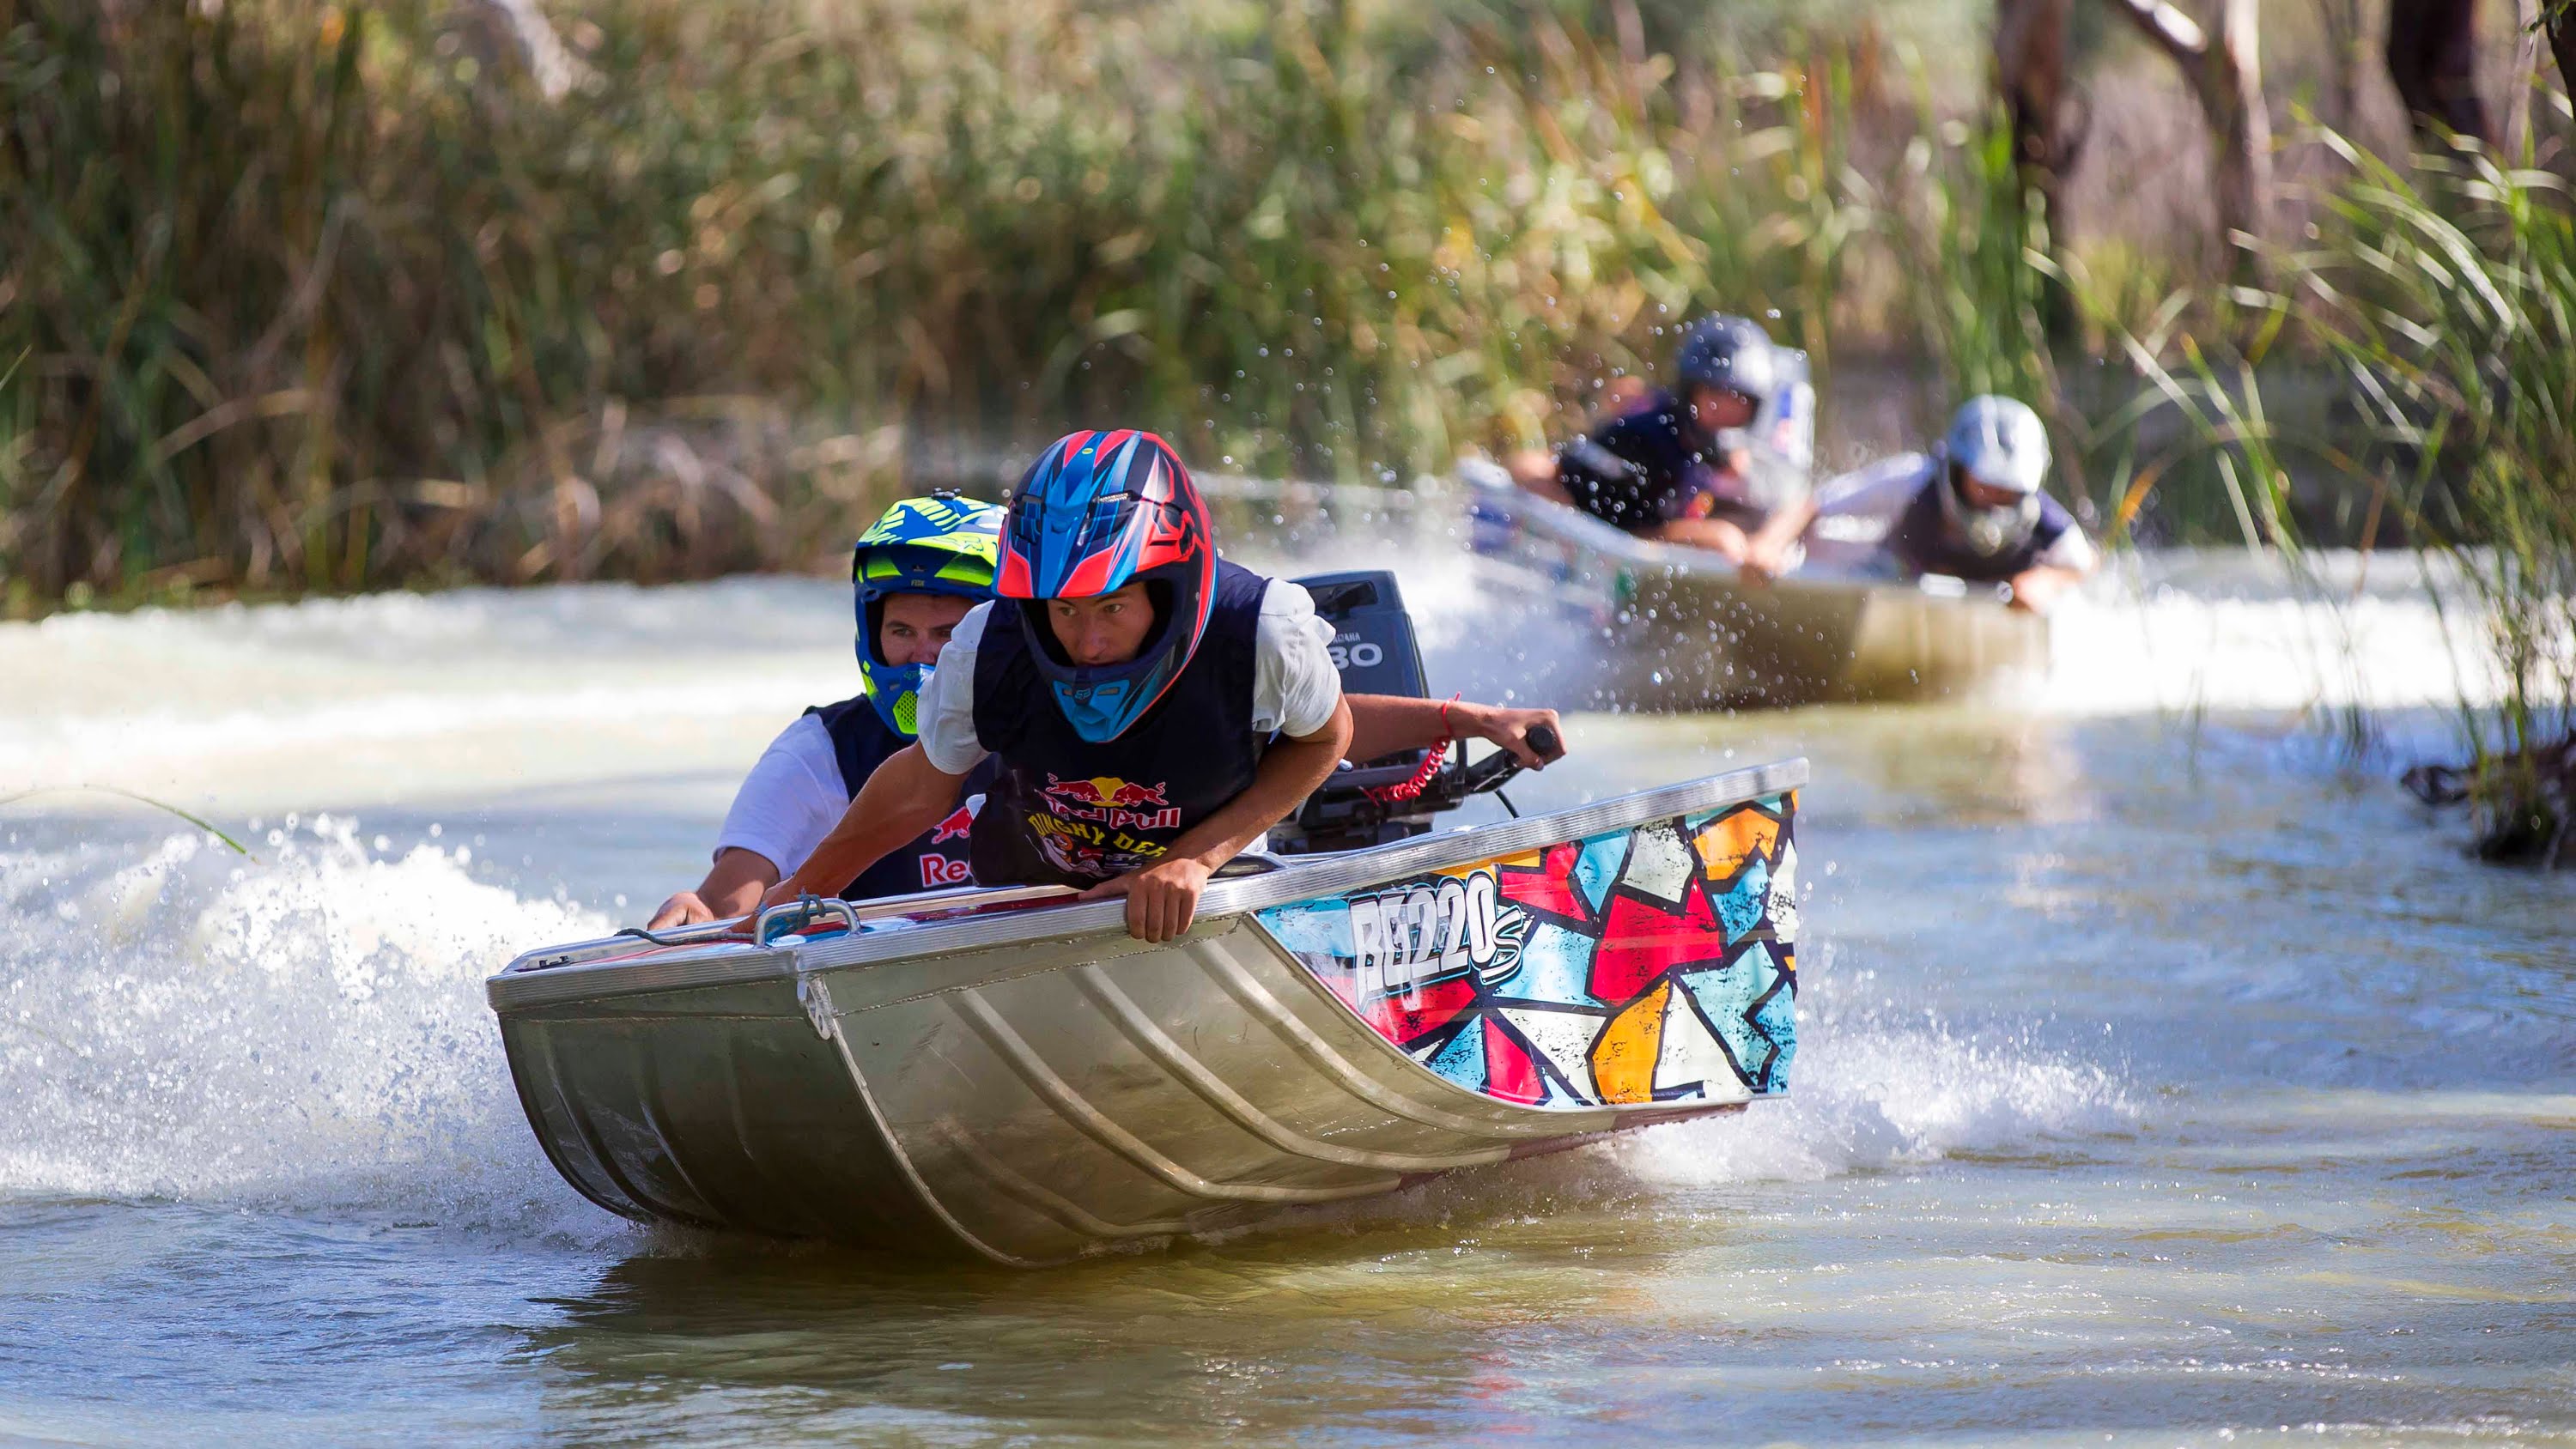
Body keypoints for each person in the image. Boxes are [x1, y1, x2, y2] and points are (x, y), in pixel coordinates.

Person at [762, 429, 1563, 943]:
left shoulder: (1266, 628)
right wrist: (793, 899)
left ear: (1170, 587)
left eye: (1112, 607)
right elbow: (918, 788)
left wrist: (1192, 861)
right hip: (1028, 913)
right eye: (1065, 610)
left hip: (1207, 904)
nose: (1087, 639)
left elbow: (1328, 736)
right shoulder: (987, 645)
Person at [647, 493, 1005, 928]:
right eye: (901, 631)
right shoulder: (817, 751)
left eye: (947, 633)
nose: (921, 656)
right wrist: (696, 910)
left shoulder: (1049, 724)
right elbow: (725, 910)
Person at [1742, 395, 2098, 613]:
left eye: (2007, 491)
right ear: (1957, 468)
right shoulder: (1912, 481)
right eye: (1986, 485)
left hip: (1990, 607)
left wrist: (2045, 581)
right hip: (1899, 587)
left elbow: (2084, 563)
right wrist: (1767, 545)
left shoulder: (2040, 515)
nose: (1996, 500)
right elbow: (1812, 505)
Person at [1507, 313, 1817, 563]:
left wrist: (1763, 542)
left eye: (1740, 401)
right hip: (1613, 546)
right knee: (1724, 540)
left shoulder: (1733, 452)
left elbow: (1796, 501)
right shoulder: (1647, 436)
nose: (1726, 409)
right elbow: (1532, 468)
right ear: (1690, 391)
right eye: (1716, 396)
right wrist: (1575, 533)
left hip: (1651, 537)